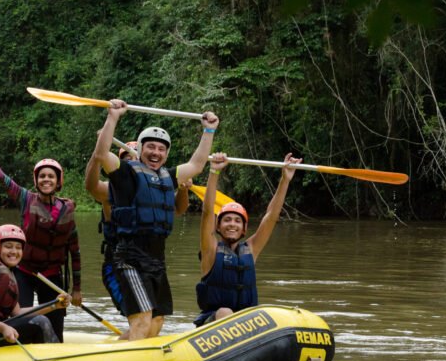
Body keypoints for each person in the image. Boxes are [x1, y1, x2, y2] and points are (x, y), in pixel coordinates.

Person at [92, 99, 219, 340]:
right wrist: (113, 117)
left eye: (161, 149)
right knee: (142, 320)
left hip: (156, 259)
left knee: (157, 322)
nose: (155, 153)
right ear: (139, 150)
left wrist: (209, 130)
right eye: (150, 147)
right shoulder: (126, 173)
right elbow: (101, 153)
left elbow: (197, 164)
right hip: (130, 257)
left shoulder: (168, 177)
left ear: (167, 154)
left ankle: (127, 354)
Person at [0, 136, 81, 342]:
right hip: (24, 272)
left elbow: (74, 250)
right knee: (21, 320)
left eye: (51, 176)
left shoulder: (68, 209)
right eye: (42, 176)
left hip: (52, 276)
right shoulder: (25, 198)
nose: (46, 179)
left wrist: (77, 288)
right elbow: (0, 175)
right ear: (36, 180)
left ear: (58, 182)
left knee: (56, 329)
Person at [84, 139, 191, 338]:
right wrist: (99, 152)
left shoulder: (152, 188)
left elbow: (178, 209)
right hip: (120, 263)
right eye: (126, 159)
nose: (132, 165)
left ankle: (127, 351)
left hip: (148, 260)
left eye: (135, 158)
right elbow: (91, 185)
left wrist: (183, 189)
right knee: (141, 320)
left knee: (153, 322)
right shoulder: (112, 189)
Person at [194, 152, 301, 326]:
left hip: (245, 325)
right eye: (227, 220)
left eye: (237, 221)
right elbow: (207, 212)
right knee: (225, 312)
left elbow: (271, 216)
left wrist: (285, 180)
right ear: (217, 226)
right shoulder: (210, 249)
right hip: (213, 322)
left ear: (244, 229)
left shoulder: (251, 249)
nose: (232, 224)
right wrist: (214, 172)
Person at [0, 224, 69, 348]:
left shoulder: (9, 273)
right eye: (8, 247)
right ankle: (55, 360)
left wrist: (54, 305)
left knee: (40, 319)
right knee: (40, 322)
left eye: (18, 247)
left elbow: (18, 313)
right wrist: (3, 327)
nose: (14, 252)